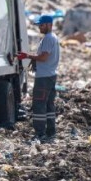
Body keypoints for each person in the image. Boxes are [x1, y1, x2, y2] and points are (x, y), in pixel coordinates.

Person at [17, 15, 60, 143]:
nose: (39, 27)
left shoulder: (48, 38)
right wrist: (34, 60)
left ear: (49, 25)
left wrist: (27, 56)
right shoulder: (53, 38)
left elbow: (43, 57)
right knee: (49, 104)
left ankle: (40, 133)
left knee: (39, 104)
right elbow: (43, 57)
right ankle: (51, 131)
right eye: (39, 25)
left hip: (44, 77)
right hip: (51, 75)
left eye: (41, 25)